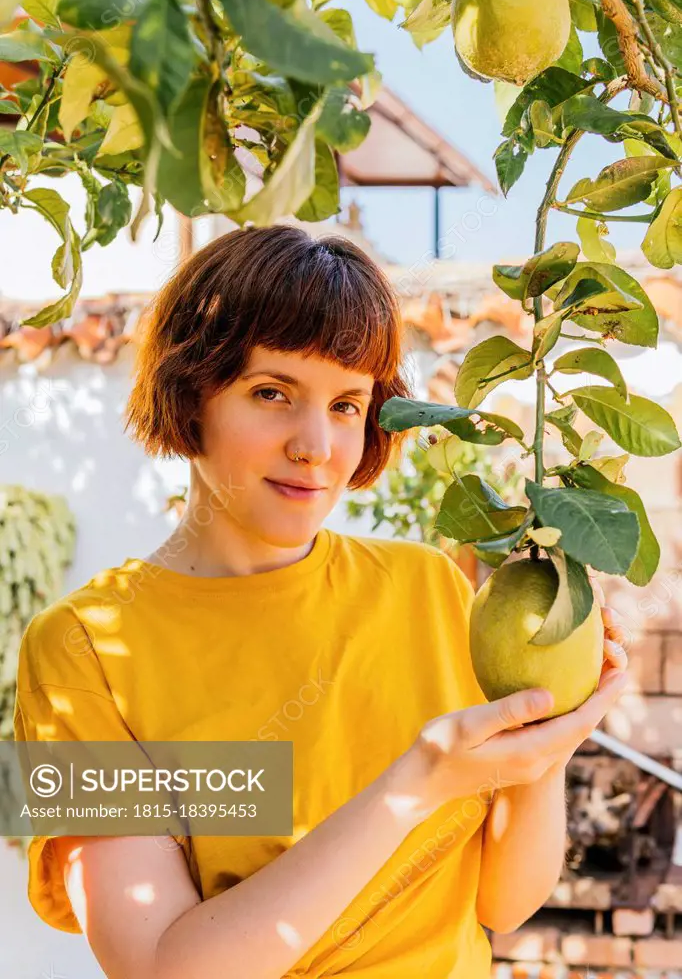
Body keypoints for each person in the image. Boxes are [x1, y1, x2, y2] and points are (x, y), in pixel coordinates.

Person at [13, 225, 629, 979]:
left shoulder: (431, 589)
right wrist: (412, 786)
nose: (317, 446)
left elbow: (501, 903)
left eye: (346, 405)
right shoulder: (80, 649)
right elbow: (160, 967)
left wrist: (553, 745)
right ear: (189, 394)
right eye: (271, 392)